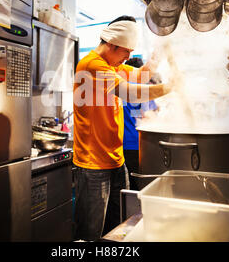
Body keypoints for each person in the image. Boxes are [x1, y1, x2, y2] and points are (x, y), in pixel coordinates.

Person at [72, 15, 174, 241]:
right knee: (91, 233)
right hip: (93, 164)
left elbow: (140, 76)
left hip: (116, 160)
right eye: (126, 51)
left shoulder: (112, 64)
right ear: (111, 44)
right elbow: (130, 92)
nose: (128, 57)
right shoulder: (92, 65)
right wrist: (169, 88)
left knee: (118, 230)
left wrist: (159, 55)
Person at [123, 57, 159, 190]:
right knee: (142, 186)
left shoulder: (120, 88)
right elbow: (147, 114)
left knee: (128, 186)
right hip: (139, 143)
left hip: (123, 144)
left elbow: (134, 113)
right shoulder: (143, 89)